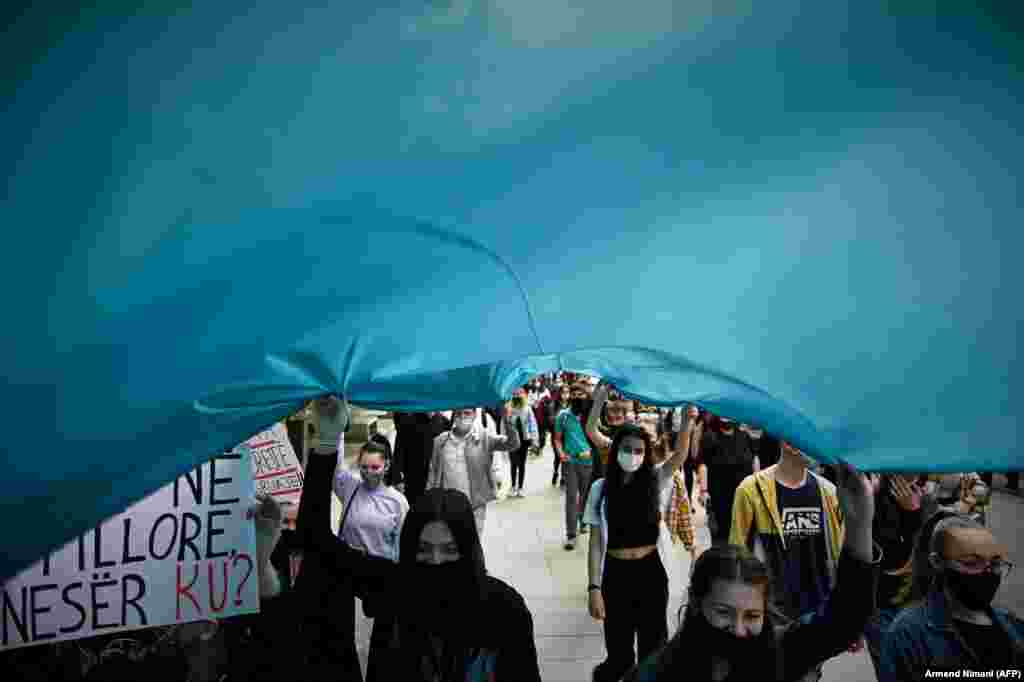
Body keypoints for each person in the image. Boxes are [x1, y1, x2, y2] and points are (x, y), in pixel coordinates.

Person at [301, 417, 542, 682]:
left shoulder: (504, 609)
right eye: (424, 550)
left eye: (449, 550)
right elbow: (315, 538)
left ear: (468, 548)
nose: (436, 560)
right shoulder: (391, 587)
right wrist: (326, 439)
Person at [622, 462, 880, 682]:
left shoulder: (779, 653)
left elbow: (845, 618)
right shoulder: (654, 674)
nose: (738, 629)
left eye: (752, 616)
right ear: (697, 603)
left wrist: (859, 524)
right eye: (723, 612)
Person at [584, 413, 697, 682]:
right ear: (615, 451)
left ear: (646, 454)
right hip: (615, 574)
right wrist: (594, 588)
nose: (632, 455)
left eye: (639, 451)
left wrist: (686, 420)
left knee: (654, 649)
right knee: (619, 651)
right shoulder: (601, 489)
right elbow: (596, 544)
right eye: (626, 449)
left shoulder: (654, 479)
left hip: (651, 573)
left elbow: (680, 455)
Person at [728, 439, 847, 681]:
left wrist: (845, 618)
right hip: (771, 614)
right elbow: (736, 554)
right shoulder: (751, 491)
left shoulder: (828, 493)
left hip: (815, 613)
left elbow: (839, 554)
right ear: (789, 443)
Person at [879, 514, 1023, 680]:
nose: (987, 573)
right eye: (972, 563)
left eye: (995, 564)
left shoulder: (1013, 627)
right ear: (938, 562)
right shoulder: (909, 633)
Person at [332, 433, 409, 682]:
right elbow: (334, 467)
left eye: (374, 467)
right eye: (363, 467)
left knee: (378, 640)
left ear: (386, 465)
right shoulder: (350, 487)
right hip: (348, 572)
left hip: (382, 576)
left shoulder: (398, 502)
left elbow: (402, 545)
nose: (368, 473)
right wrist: (336, 430)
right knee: (349, 637)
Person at [861, 473, 925, 677]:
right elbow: (876, 553)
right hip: (880, 602)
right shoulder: (875, 496)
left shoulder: (923, 496)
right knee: (892, 666)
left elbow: (926, 554)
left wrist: (913, 512)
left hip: (912, 602)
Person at [426, 405, 519, 536]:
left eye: (467, 413)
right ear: (454, 415)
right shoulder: (441, 441)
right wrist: (430, 501)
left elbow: (512, 444)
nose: (463, 417)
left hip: (474, 505)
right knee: (452, 545)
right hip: (447, 504)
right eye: (458, 413)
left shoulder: (483, 437)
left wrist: (508, 420)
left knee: (472, 546)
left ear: (475, 415)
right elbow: (433, 472)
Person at [702, 416, 758, 545]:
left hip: (745, 495)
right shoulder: (710, 437)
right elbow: (703, 464)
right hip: (720, 496)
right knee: (723, 536)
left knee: (747, 534)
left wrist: (758, 482)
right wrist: (704, 491)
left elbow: (754, 459)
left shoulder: (744, 436)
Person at [553, 382, 596, 549]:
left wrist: (591, 451)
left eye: (581, 394)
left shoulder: (592, 417)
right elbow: (557, 438)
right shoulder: (563, 416)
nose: (578, 397)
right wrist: (561, 453)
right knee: (571, 497)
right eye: (575, 394)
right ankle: (571, 534)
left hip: (589, 463)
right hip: (570, 463)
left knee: (586, 495)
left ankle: (583, 520)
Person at [392, 411, 452, 506]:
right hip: (413, 479)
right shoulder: (407, 422)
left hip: (436, 480)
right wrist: (397, 478)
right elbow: (398, 452)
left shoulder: (445, 423)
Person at [507, 386, 538, 497]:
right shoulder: (509, 407)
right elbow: (504, 424)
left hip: (524, 439)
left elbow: (533, 425)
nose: (517, 396)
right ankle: (513, 486)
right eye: (515, 394)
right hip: (512, 440)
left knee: (521, 464)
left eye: (519, 394)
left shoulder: (527, 408)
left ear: (524, 395)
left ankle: (520, 487)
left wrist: (535, 440)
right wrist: (509, 414)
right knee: (513, 463)